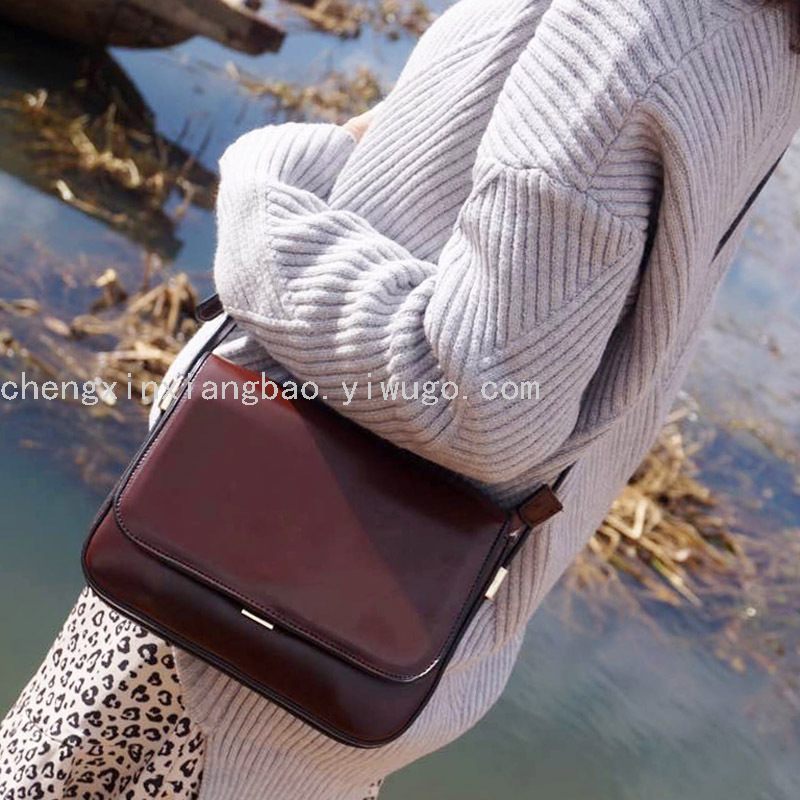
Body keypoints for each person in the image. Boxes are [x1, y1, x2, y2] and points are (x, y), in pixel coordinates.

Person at [2, 0, 799, 798]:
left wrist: (267, 189)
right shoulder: (760, 39)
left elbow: (482, 395)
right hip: (328, 638)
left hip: (211, 645)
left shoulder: (627, 26)